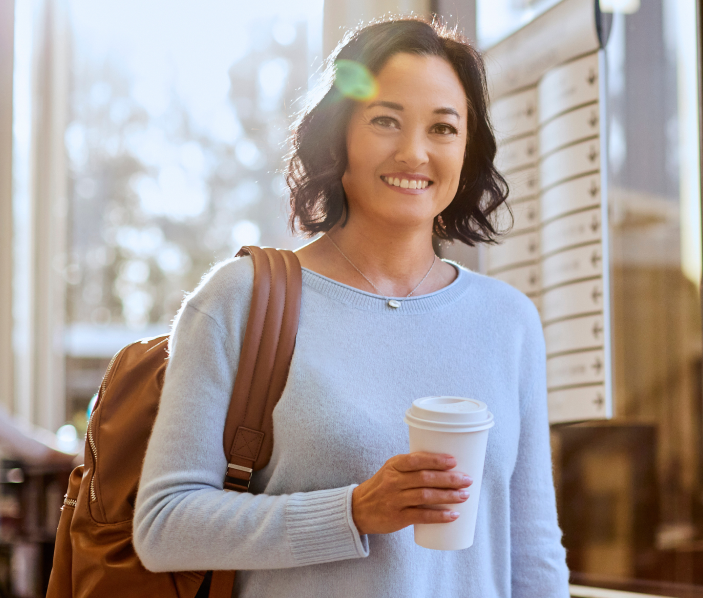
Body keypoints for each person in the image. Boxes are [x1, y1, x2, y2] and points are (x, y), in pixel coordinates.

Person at [133, 17, 569, 597]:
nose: (414, 152)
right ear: (339, 135)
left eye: (443, 127)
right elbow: (163, 526)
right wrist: (356, 511)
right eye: (385, 120)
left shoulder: (508, 320)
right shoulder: (238, 299)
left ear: (468, 149)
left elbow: (532, 552)